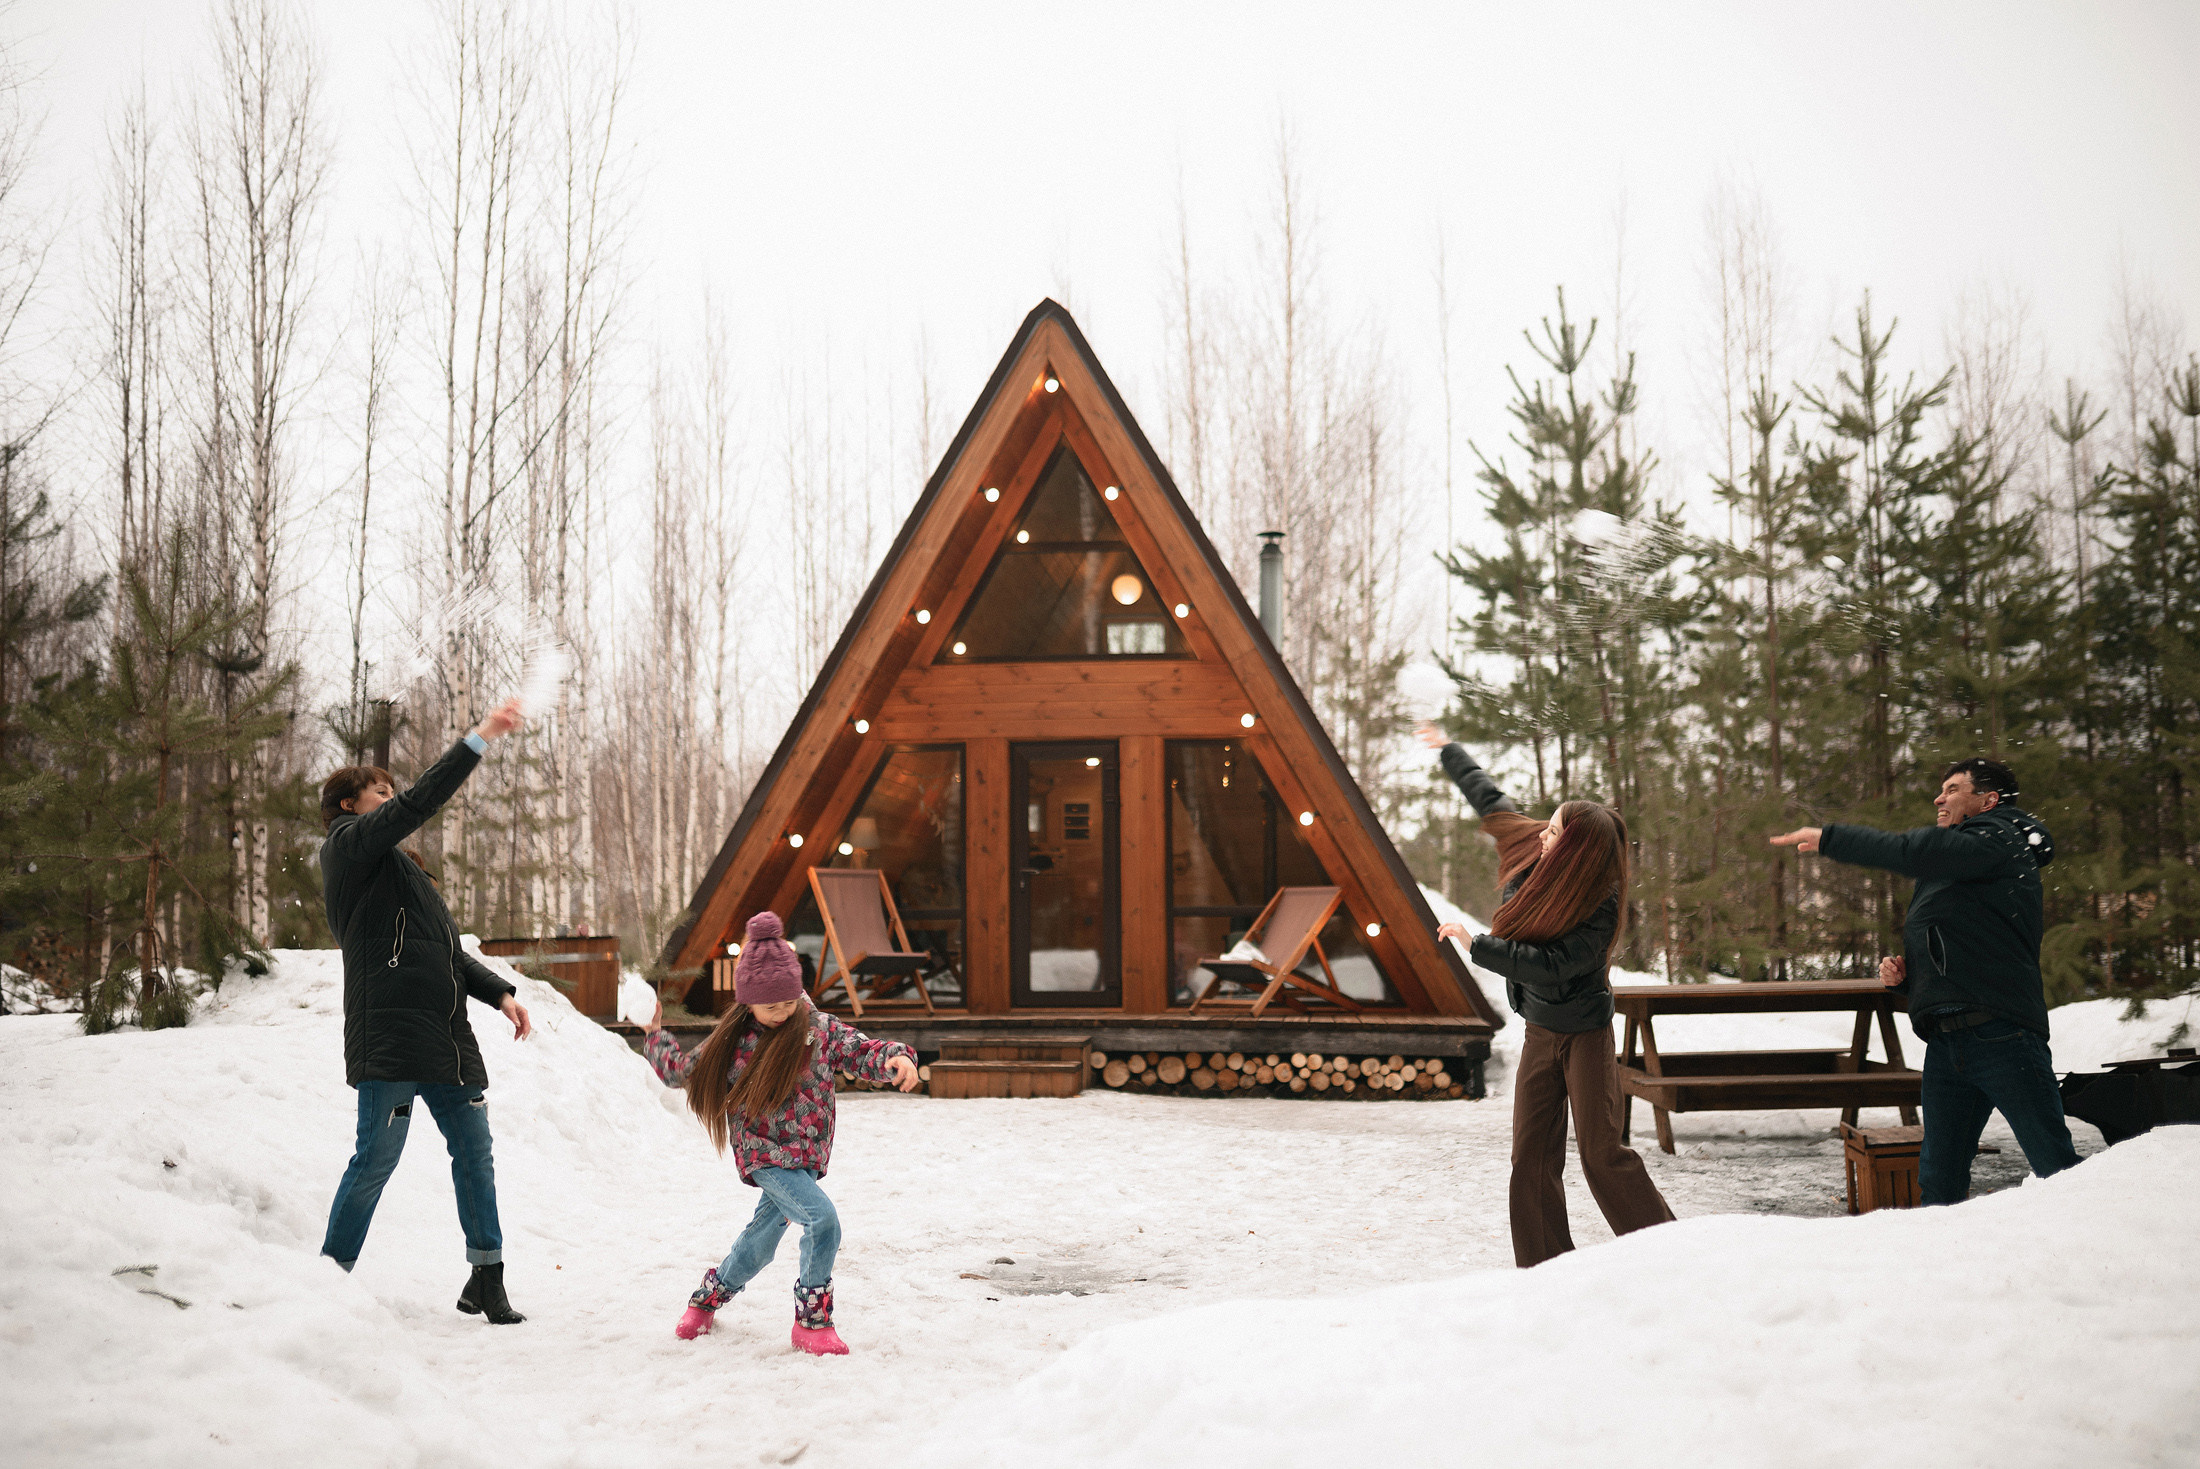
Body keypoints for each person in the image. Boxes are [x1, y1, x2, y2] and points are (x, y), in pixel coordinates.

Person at [1418, 724, 1674, 1268]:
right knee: (1530, 1155)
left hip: (1583, 1032)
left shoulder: (1599, 902)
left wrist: (1477, 945)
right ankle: (1542, 1267)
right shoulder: (1529, 848)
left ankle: (1670, 1252)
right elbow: (1485, 794)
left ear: (1576, 850)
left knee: (1602, 1155)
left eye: (1554, 832)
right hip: (1539, 1029)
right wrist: (1447, 750)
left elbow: (1554, 967)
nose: (1542, 836)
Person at [1772, 757, 2079, 1203]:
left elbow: (1913, 849)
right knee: (1938, 1178)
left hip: (2002, 1034)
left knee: (2057, 1168)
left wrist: (1832, 839)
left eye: (1953, 789)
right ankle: (1941, 1268)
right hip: (1948, 1044)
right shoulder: (1962, 862)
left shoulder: (1998, 838)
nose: (1939, 797)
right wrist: (1907, 979)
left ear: (1988, 800)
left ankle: (2098, 1254)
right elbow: (1961, 939)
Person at [317, 698, 535, 1324]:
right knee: (376, 1160)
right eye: (378, 792)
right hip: (388, 1035)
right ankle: (329, 1278)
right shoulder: (348, 852)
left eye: (389, 790)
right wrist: (480, 737)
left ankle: (485, 1278)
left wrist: (499, 993)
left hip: (445, 1039)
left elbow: (445, 957)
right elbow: (420, 803)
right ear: (346, 808)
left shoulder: (405, 877)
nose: (390, 798)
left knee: (475, 1153)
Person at [642, 911, 920, 1355]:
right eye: (769, 1006)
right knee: (822, 1220)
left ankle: (706, 1300)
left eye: (787, 1002)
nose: (781, 1012)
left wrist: (896, 1058)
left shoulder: (816, 1029)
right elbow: (680, 1072)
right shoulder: (734, 1043)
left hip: (806, 1156)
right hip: (765, 1154)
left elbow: (861, 1050)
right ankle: (811, 1323)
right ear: (748, 1002)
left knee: (759, 1245)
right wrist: (655, 1036)